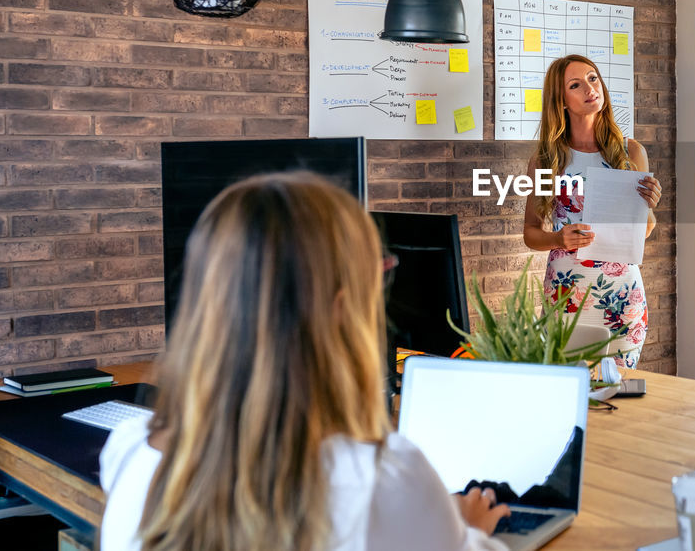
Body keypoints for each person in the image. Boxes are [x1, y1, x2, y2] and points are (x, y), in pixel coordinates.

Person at [99, 172, 511, 551]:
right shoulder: (384, 482)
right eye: (379, 274)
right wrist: (467, 529)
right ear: (341, 308)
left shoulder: (128, 452)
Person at [523, 54, 661, 368]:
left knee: (619, 397)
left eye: (593, 78)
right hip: (566, 292)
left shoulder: (631, 151)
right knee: (568, 390)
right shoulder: (546, 159)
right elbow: (531, 233)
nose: (590, 88)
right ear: (561, 102)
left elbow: (646, 229)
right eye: (576, 84)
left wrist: (649, 206)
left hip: (620, 295)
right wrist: (559, 238)